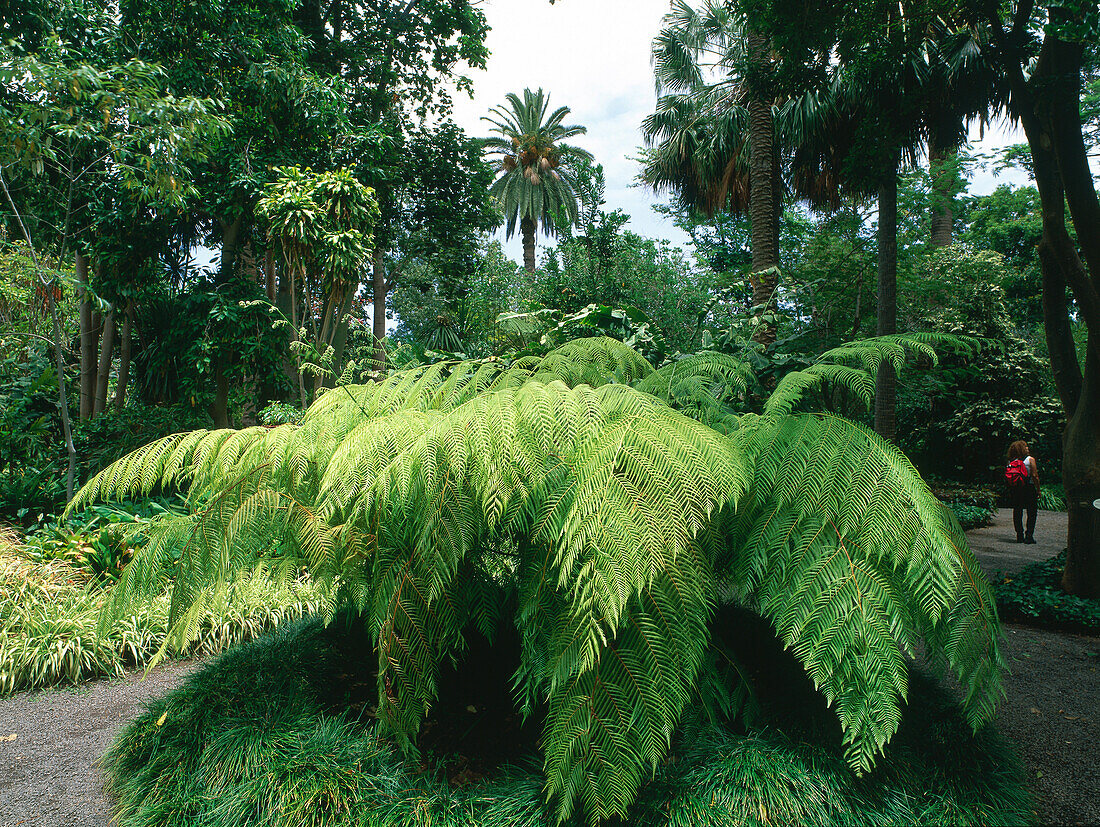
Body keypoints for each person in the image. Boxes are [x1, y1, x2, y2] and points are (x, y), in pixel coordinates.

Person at [1006, 440, 1039, 544]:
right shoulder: (1030, 460)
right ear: (1022, 448)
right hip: (1029, 488)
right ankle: (1029, 536)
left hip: (1017, 488)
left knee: (1017, 511)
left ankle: (1019, 535)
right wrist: (1038, 489)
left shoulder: (1011, 461)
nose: (1027, 448)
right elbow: (1034, 475)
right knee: (1032, 512)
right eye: (1026, 447)